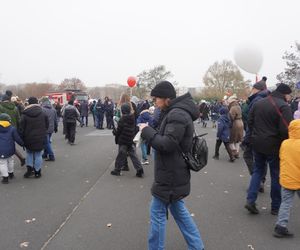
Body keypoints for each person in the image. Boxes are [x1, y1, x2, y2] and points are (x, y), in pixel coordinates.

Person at [139, 81, 204, 250]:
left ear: (166, 98)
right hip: (173, 171)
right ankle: (197, 246)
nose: (155, 102)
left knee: (157, 214)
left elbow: (166, 144)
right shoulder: (174, 112)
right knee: (179, 212)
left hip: (170, 173)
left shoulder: (177, 114)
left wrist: (146, 131)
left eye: (156, 99)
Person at [245, 83, 293, 215]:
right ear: (285, 93)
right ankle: (276, 206)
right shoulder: (284, 106)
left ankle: (250, 200)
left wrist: (255, 135)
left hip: (257, 143)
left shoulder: (259, 103)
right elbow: (286, 129)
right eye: (289, 94)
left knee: (258, 171)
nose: (290, 97)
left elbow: (250, 121)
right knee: (275, 174)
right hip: (274, 145)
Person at [273, 119, 300, 238]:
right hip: (298, 179)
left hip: (286, 178)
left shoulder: (285, 143)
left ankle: (280, 226)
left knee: (286, 203)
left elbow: (281, 156)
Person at [242, 80, 269, 192]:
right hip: (267, 136)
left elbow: (250, 121)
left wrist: (246, 139)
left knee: (249, 156)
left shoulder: (256, 101)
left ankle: (256, 180)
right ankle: (260, 180)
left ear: (257, 89)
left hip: (255, 135)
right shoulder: (269, 100)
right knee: (263, 160)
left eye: (253, 89)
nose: (251, 91)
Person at [110, 103, 144, 177]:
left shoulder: (122, 119)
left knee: (121, 155)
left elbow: (119, 131)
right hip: (130, 139)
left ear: (123, 110)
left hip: (123, 140)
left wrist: (115, 132)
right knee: (133, 155)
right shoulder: (132, 117)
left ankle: (117, 170)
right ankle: (139, 169)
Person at [19, 97, 49, 178]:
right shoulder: (43, 112)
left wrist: (21, 138)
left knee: (29, 153)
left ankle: (29, 169)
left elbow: (21, 128)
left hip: (28, 137)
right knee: (38, 154)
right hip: (40, 137)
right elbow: (47, 125)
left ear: (28, 103)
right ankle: (37, 172)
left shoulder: (24, 114)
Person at [0, 93, 26, 166]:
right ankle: (21, 158)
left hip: (2, 129)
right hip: (13, 129)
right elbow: (19, 120)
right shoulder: (15, 107)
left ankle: (6, 166)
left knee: (4, 146)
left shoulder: (0, 107)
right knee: (10, 145)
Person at [0, 113, 24, 183]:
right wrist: (22, 144)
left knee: (2, 163)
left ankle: (5, 177)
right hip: (11, 149)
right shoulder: (12, 128)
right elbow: (17, 138)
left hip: (1, 150)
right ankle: (11, 173)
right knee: (10, 160)